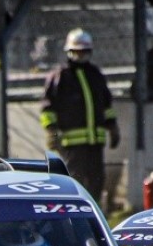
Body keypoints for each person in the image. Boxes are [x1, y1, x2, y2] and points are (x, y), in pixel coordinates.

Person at [40, 28, 120, 208]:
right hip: (71, 143)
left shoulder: (96, 75)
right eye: (78, 51)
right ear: (69, 51)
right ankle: (74, 214)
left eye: (85, 51)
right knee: (74, 181)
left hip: (95, 142)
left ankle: (95, 214)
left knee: (97, 180)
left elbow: (106, 105)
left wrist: (113, 127)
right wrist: (51, 131)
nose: (81, 55)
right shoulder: (60, 77)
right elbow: (47, 108)